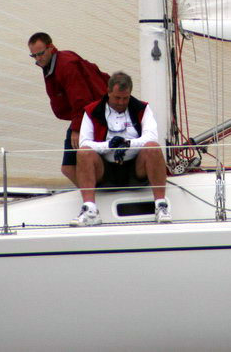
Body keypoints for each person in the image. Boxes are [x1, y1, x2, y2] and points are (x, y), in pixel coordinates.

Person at [72, 71, 171, 226]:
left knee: (153, 147)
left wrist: (127, 144)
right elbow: (85, 143)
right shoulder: (92, 110)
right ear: (108, 92)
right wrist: (110, 145)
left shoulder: (142, 108)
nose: (121, 102)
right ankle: (90, 210)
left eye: (125, 98)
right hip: (105, 168)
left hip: (136, 167)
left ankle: (161, 205)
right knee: (83, 152)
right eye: (117, 98)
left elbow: (151, 137)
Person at [27, 32, 109, 187]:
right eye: (34, 56)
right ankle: (94, 193)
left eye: (40, 53)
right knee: (69, 168)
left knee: (71, 167)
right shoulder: (52, 63)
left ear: (51, 47)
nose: (38, 59)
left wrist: (76, 129)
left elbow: (81, 98)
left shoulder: (66, 64)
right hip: (85, 114)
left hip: (92, 115)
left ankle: (97, 194)